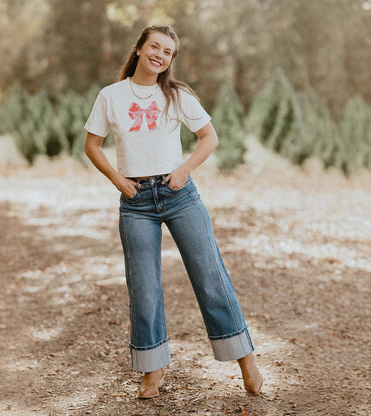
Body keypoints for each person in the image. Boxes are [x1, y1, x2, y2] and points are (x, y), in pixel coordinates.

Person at [84, 25, 263, 399]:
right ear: (139, 49)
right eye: (155, 47)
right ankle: (153, 367)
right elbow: (92, 145)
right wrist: (118, 181)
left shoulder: (177, 95)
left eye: (168, 52)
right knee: (144, 288)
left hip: (179, 194)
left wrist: (183, 171)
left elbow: (209, 138)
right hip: (136, 203)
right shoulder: (111, 96)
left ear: (170, 61)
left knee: (209, 274)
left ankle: (243, 355)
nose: (160, 55)